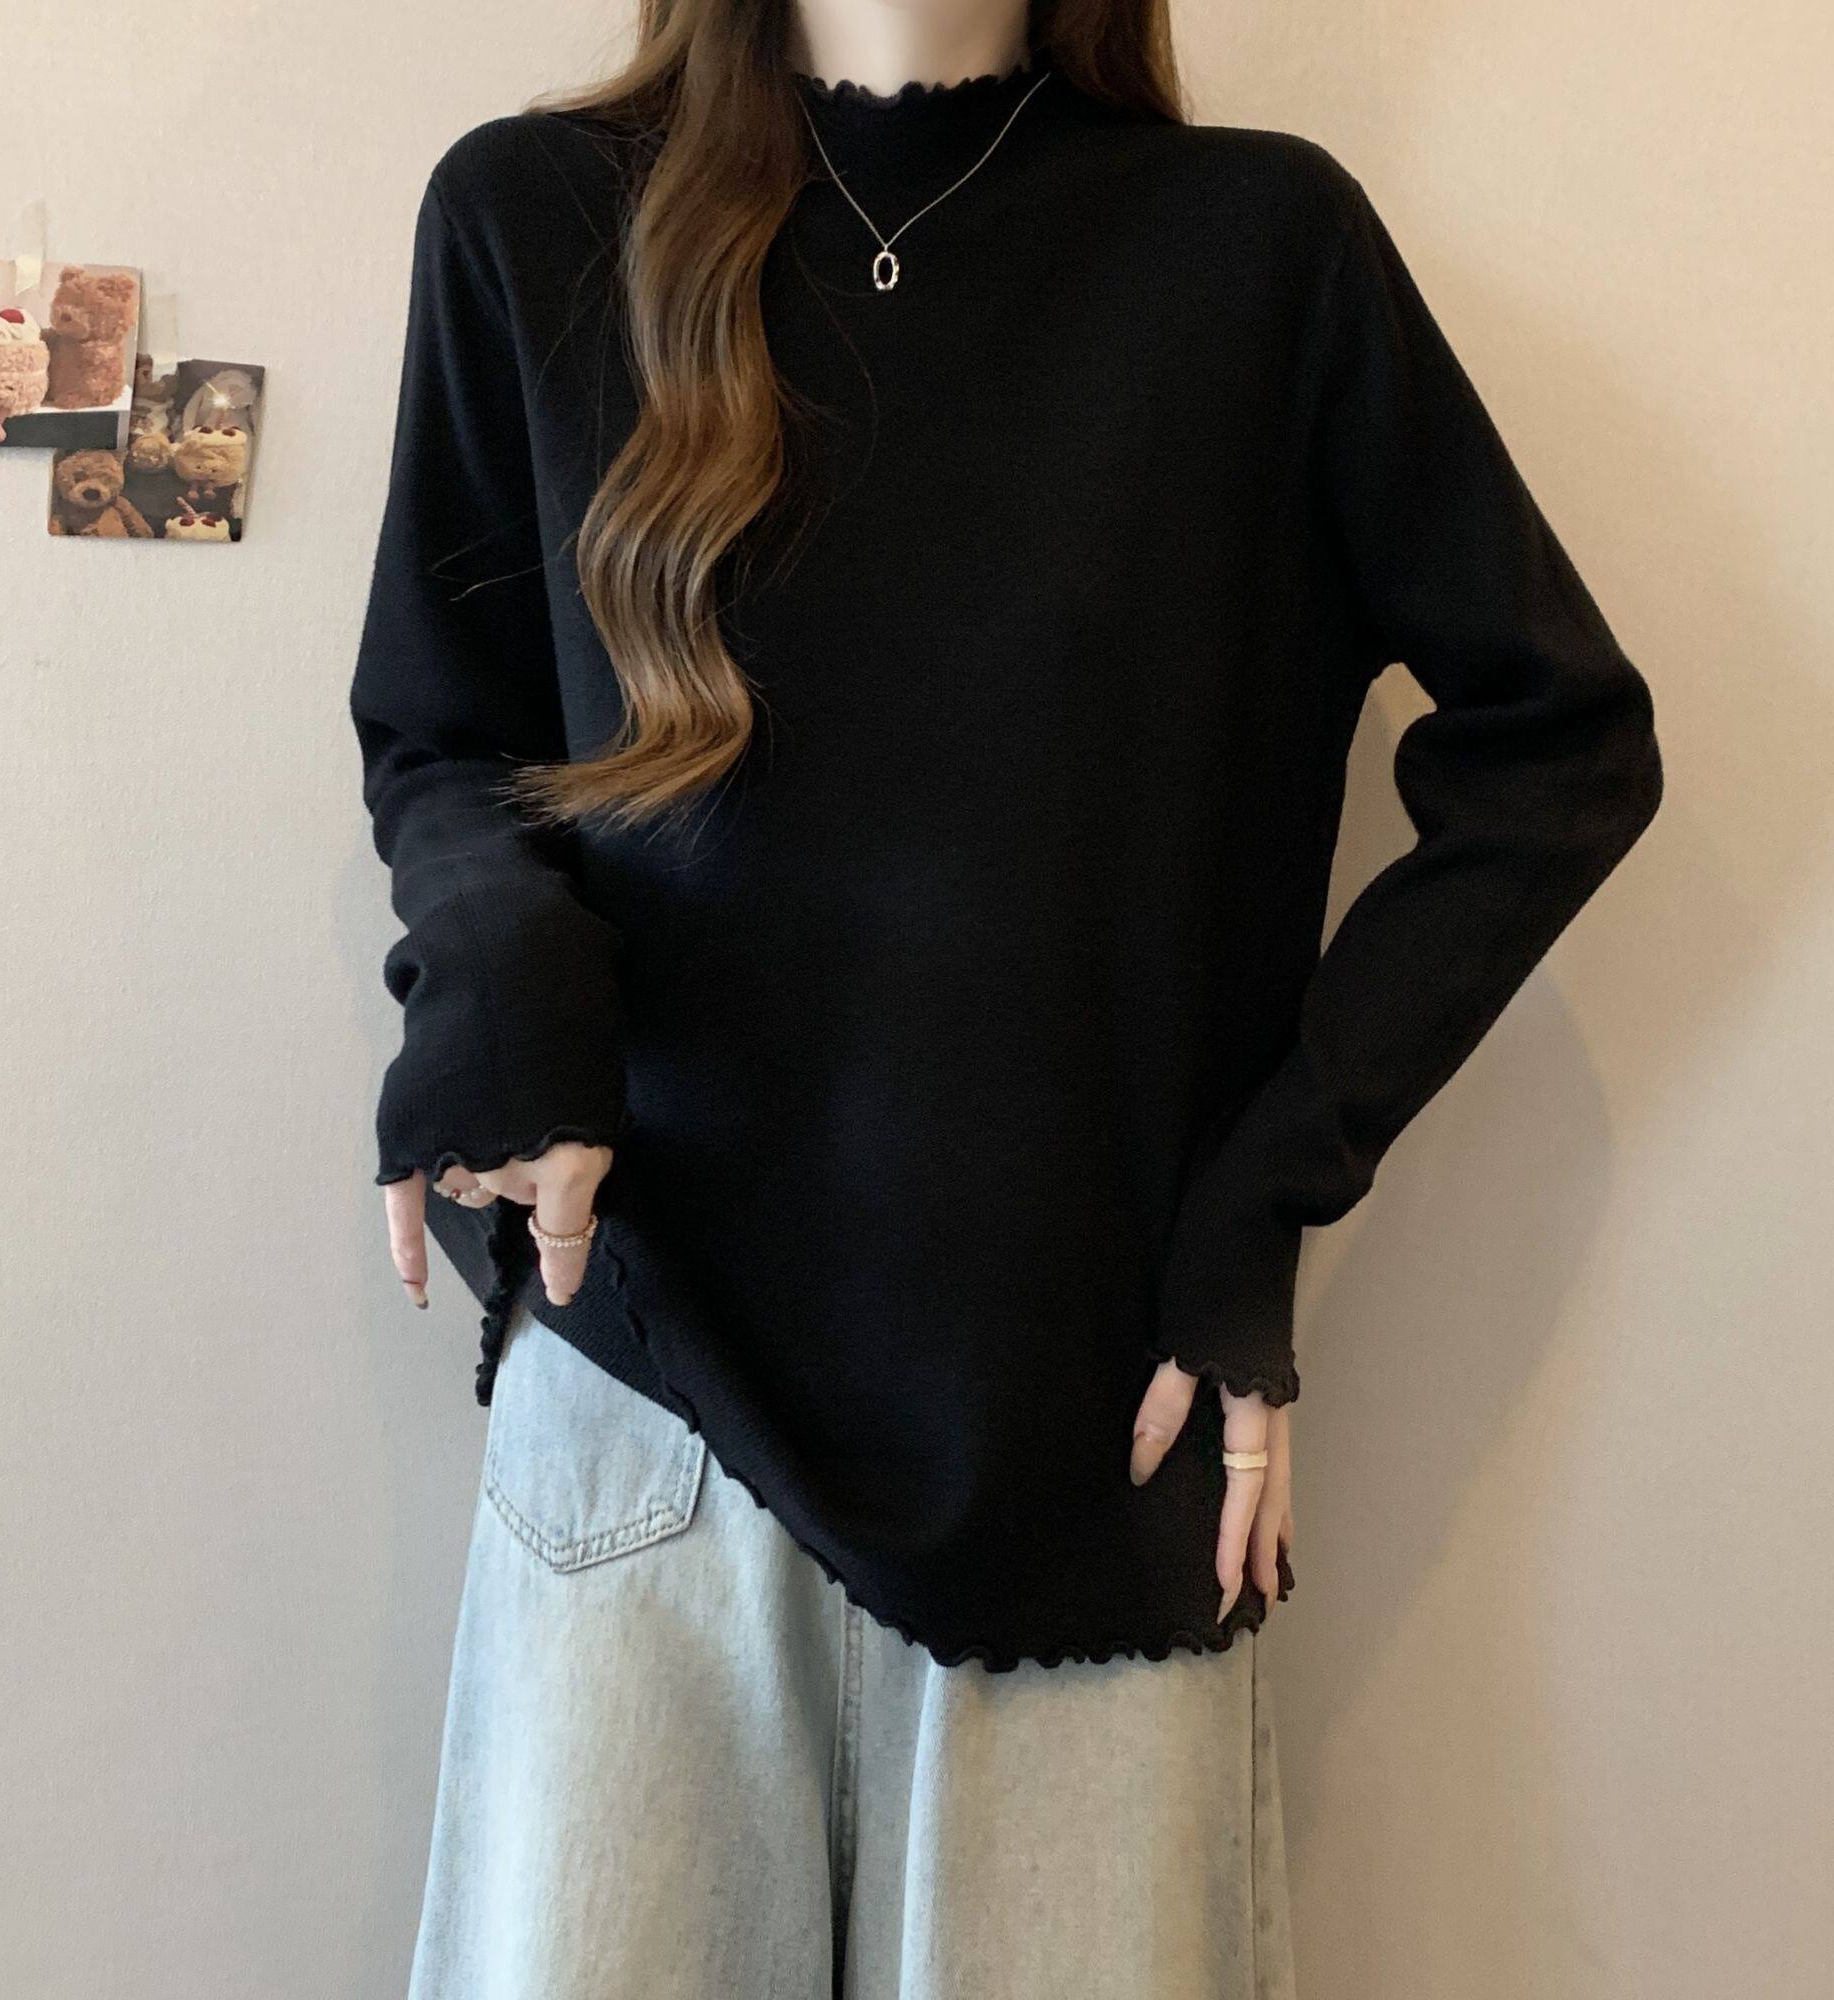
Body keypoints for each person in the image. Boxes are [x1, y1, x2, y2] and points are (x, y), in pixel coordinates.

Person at [349, 0, 1665, 1992]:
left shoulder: (1255, 250)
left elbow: (1558, 745)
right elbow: (444, 732)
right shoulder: (532, 216)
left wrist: (1264, 1190)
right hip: (645, 1401)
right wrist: (502, 986)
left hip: (1087, 1436)